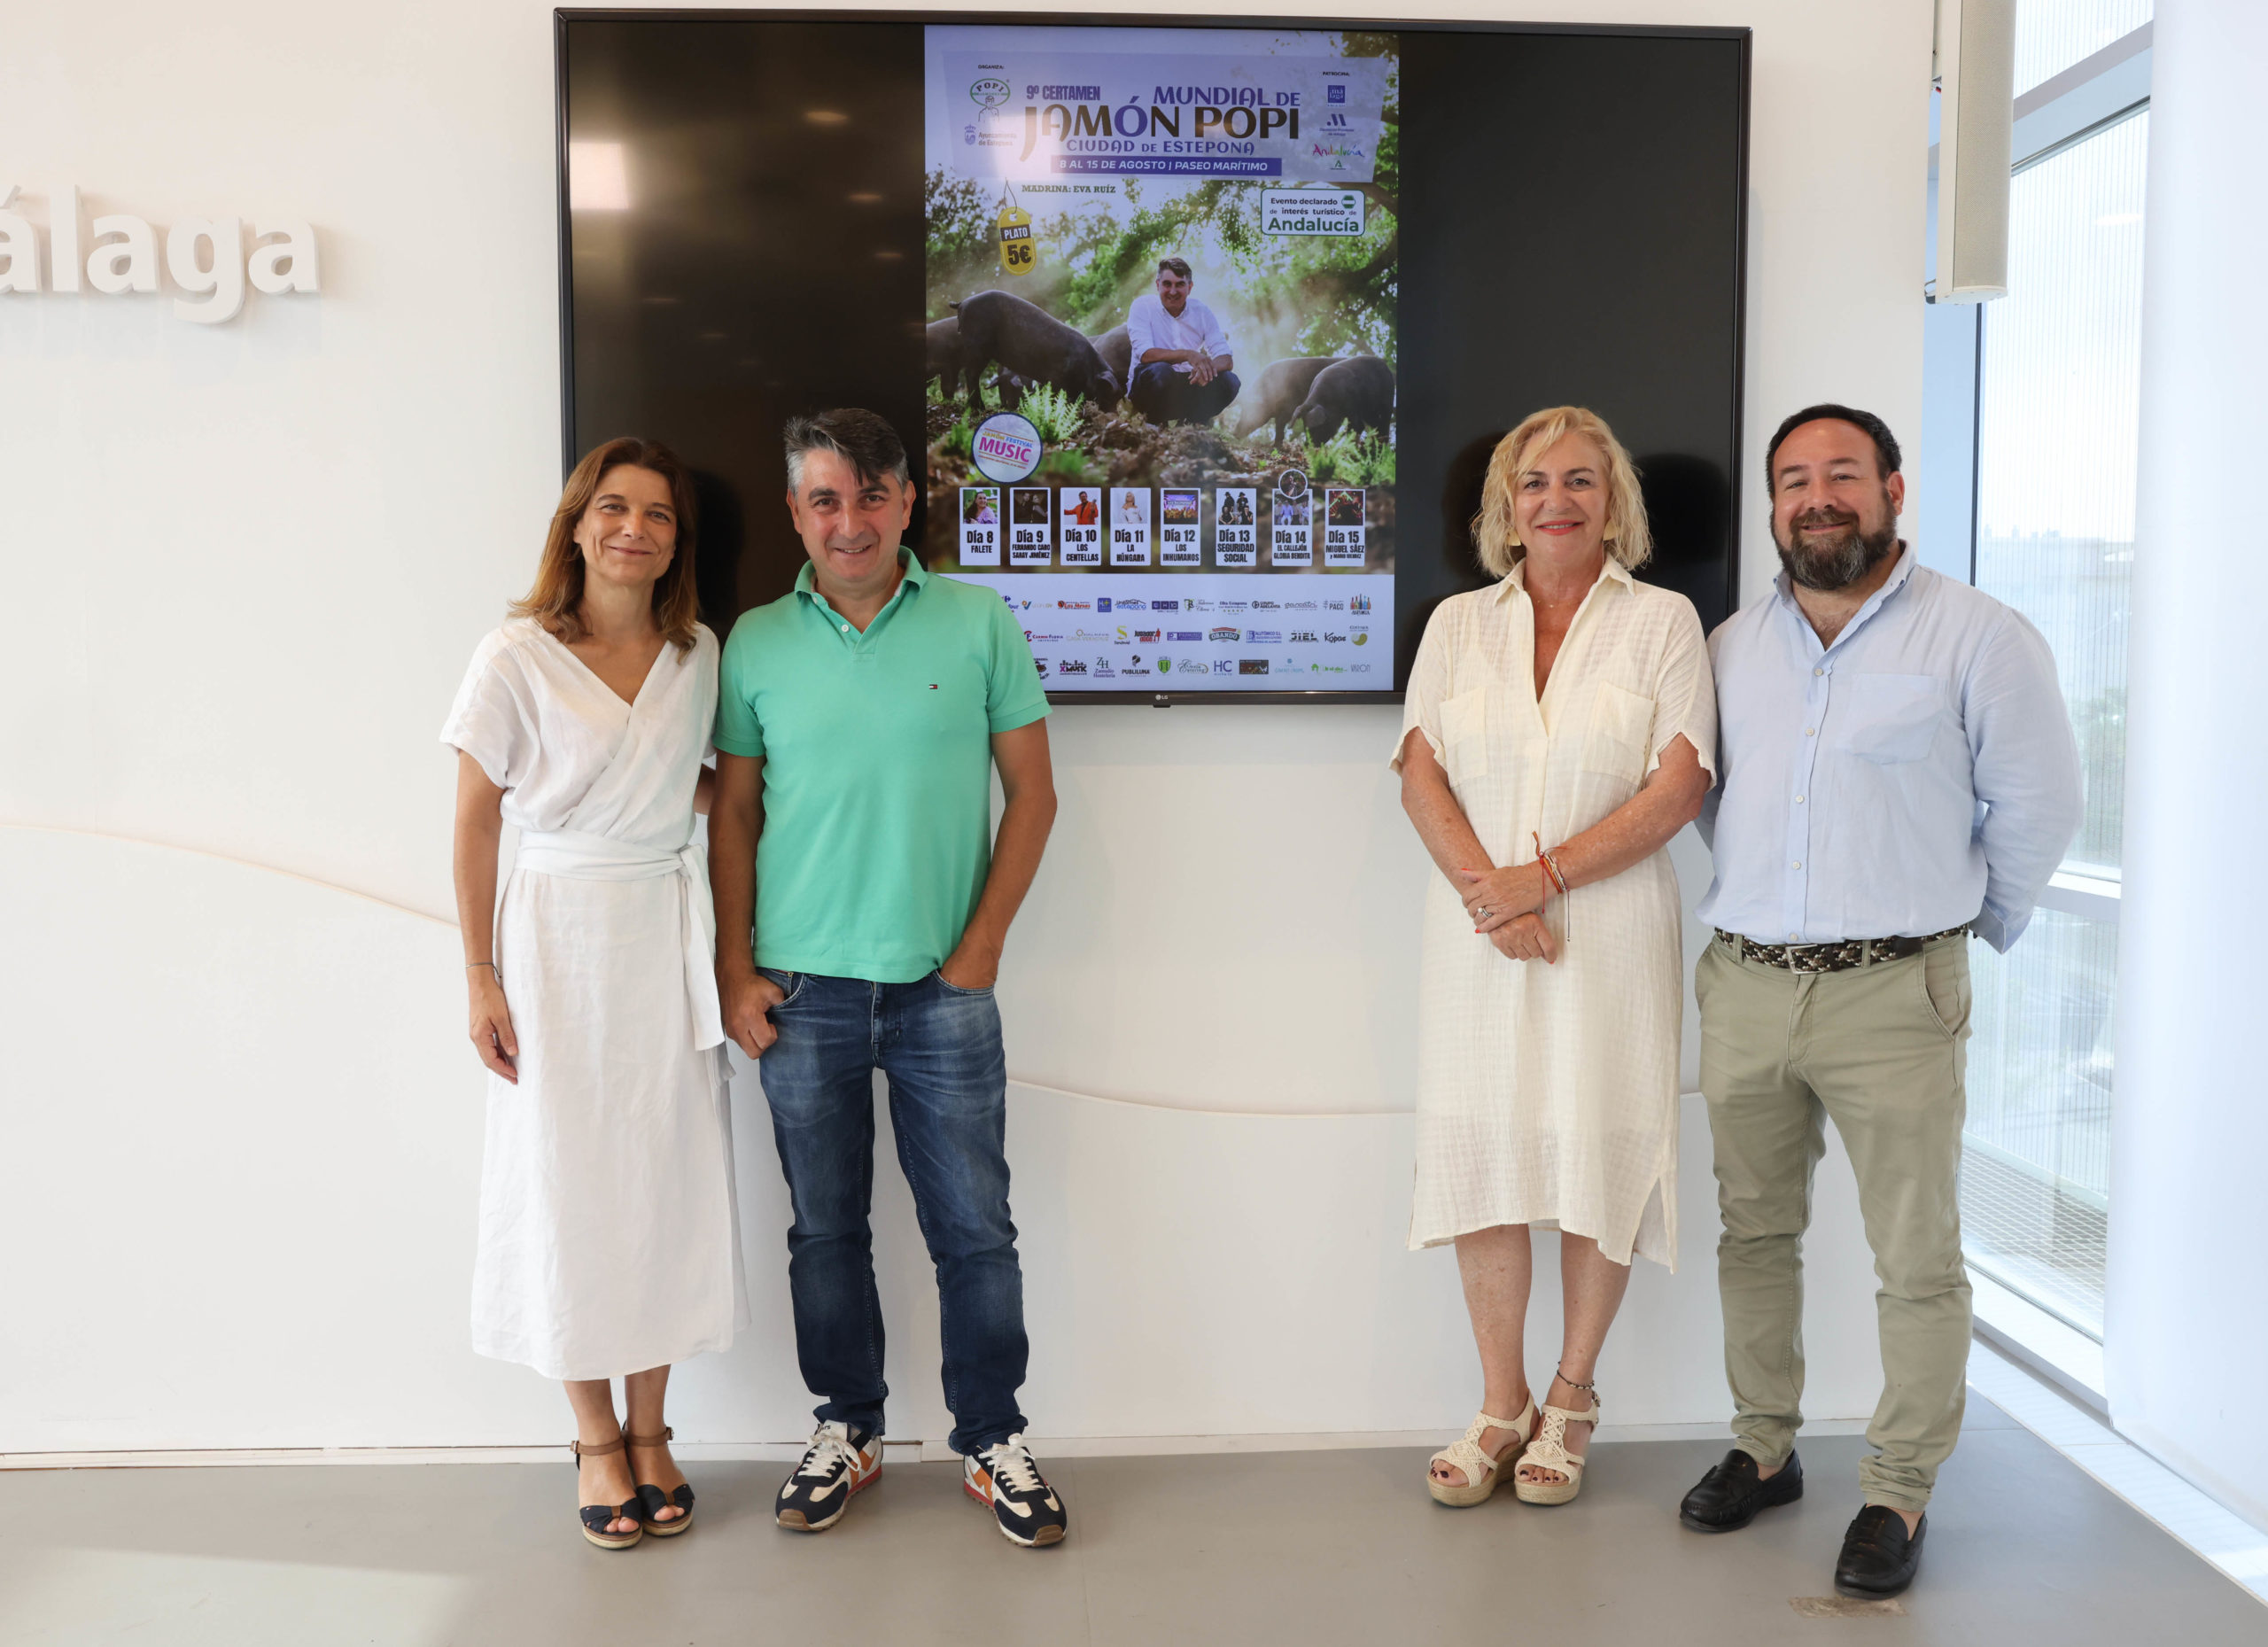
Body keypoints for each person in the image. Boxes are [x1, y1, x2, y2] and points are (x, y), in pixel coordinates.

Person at [1679, 405, 2082, 1600]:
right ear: (1773, 505)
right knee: (1753, 1233)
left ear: (1893, 489)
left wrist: (1953, 927)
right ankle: (1764, 1447)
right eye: (1794, 479)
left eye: (1843, 473)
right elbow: (1713, 801)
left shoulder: (1979, 635)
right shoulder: (1729, 646)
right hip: (1746, 983)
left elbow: (2041, 804)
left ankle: (1898, 1488)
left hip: (1898, 990)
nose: (1818, 497)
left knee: (1915, 1254)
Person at [710, 408, 1067, 1548]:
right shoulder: (754, 641)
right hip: (799, 989)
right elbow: (734, 815)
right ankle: (846, 1425)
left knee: (976, 1230)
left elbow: (1035, 795)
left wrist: (982, 945)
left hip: (941, 988)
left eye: (872, 496)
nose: (850, 521)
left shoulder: (978, 620)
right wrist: (733, 965)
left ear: (909, 501)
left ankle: (992, 1435)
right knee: (824, 1231)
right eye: (825, 498)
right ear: (795, 511)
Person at [1394, 407, 1715, 1510]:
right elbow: (1420, 775)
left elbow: (1679, 785)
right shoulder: (1455, 625)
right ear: (1505, 505)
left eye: (1581, 479)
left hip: (1608, 937)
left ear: (1612, 500)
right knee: (1480, 1154)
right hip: (1478, 935)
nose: (1557, 499)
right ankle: (1500, 1403)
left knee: (1597, 1146)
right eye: (1534, 481)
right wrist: (1496, 898)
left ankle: (1571, 1397)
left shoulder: (1663, 621)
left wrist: (1544, 879)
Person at [444, 437, 745, 1551]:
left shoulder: (697, 652)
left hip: (660, 935)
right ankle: (593, 1434)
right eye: (612, 507)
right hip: (554, 940)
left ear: (677, 541)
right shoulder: (515, 653)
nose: (634, 528)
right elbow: (475, 818)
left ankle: (653, 1426)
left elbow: (687, 782)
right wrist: (479, 973)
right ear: (575, 525)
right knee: (564, 1176)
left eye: (658, 514)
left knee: (661, 1172)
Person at [1125, 257, 1240, 426]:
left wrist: (1205, 370)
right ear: (1158, 285)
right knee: (1161, 371)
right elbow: (1146, 355)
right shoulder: (1142, 306)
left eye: (1180, 284)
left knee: (1230, 381)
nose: (1173, 291)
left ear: (1190, 287)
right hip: (1148, 390)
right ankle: (1152, 424)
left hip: (1188, 386)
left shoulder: (1201, 312)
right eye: (1167, 284)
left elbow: (1226, 359)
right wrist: (1188, 355)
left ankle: (1191, 426)